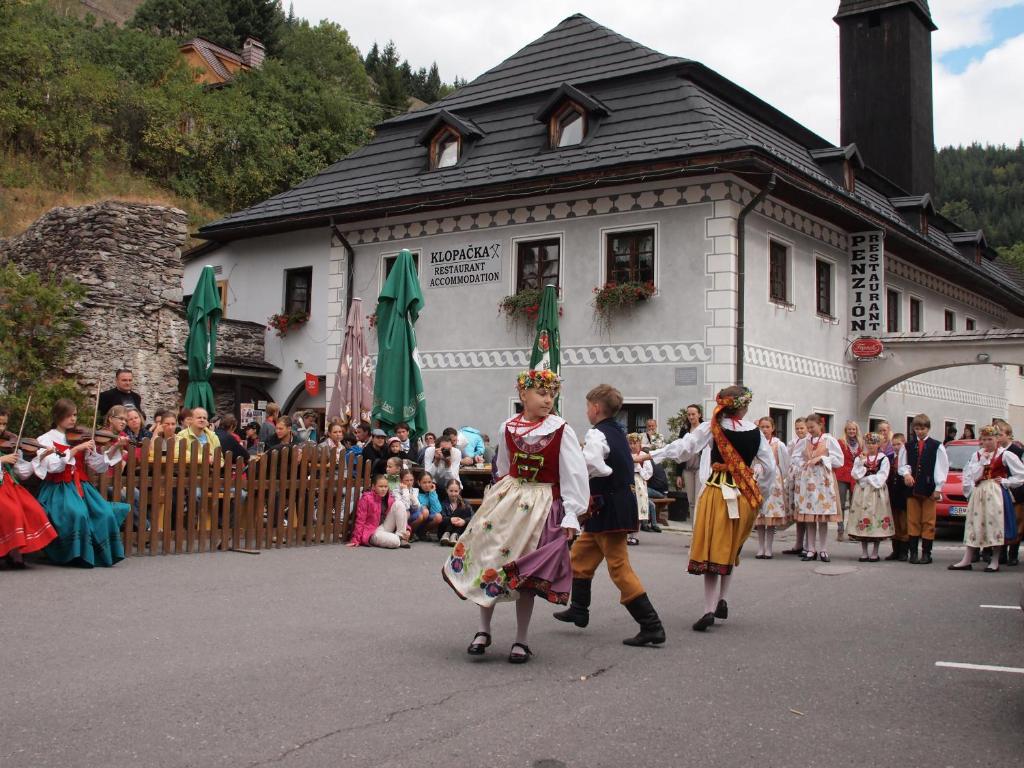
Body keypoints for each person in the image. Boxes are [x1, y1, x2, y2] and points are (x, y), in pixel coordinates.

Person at [443, 369, 587, 664]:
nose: (548, 400)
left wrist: (571, 515)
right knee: (488, 560)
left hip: (541, 504)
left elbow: (574, 475)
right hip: (508, 500)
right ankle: (483, 631)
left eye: (552, 394)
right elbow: (504, 467)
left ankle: (521, 640)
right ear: (523, 395)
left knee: (524, 573)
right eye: (542, 393)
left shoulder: (561, 430)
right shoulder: (508, 427)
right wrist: (497, 500)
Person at [650, 386, 775, 632]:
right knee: (730, 549)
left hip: (717, 492)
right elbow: (769, 468)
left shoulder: (712, 426)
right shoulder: (755, 432)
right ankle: (723, 600)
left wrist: (651, 455)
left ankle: (708, 609)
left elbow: (684, 447)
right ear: (743, 406)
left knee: (711, 550)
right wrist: (762, 496)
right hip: (742, 495)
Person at [554, 384, 665, 647]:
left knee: (619, 566)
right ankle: (579, 609)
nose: (586, 411)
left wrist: (596, 474)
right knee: (580, 555)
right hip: (611, 506)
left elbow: (591, 464)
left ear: (595, 408)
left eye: (587, 407)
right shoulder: (618, 431)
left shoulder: (597, 434)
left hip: (610, 506)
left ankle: (651, 625)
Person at [32, 398, 130, 567]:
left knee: (105, 512)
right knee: (78, 514)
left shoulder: (80, 436)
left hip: (81, 485)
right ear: (57, 416)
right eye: (68, 415)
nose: (73, 419)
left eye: (75, 415)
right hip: (58, 488)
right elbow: (52, 467)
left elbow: (98, 466)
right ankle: (75, 555)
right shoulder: (45, 439)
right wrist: (76, 449)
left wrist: (114, 447)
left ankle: (101, 554)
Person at [948, 425, 1024, 572]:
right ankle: (967, 558)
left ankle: (994, 560)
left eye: (990, 439)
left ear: (997, 439)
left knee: (995, 523)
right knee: (973, 523)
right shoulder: (977, 455)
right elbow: (969, 474)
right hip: (979, 491)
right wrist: (969, 490)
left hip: (995, 493)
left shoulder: (1004, 455)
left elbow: (1021, 474)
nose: (987, 442)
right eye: (984, 439)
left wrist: (1006, 481)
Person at [0, 405, 58, 568]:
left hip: (10, 485)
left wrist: (39, 458)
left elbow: (22, 473)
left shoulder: (8, 443)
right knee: (12, 512)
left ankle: (15, 551)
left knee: (33, 509)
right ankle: (12, 552)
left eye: (4, 424)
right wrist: (1, 461)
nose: (2, 428)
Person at [897, 414, 949, 565]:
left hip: (928, 488)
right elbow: (902, 464)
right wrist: (906, 474)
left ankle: (926, 553)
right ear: (913, 429)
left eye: (923, 428)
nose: (920, 431)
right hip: (912, 489)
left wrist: (939, 487)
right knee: (913, 520)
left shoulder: (936, 446)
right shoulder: (907, 446)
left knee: (928, 521)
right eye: (917, 428)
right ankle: (913, 552)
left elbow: (941, 468)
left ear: (928, 428)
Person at [792, 414, 843, 563]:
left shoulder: (829, 440)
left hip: (823, 481)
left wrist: (821, 458)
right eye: (808, 428)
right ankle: (811, 549)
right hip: (808, 481)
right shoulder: (805, 441)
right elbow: (796, 457)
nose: (810, 430)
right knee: (809, 516)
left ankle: (824, 549)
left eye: (812, 427)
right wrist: (803, 463)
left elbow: (839, 460)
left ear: (820, 425)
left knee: (822, 517)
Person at [848, 433, 894, 562]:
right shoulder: (860, 458)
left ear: (878, 444)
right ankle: (864, 552)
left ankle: (875, 552)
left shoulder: (883, 458)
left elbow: (883, 476)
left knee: (876, 518)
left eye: (873, 443)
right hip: (862, 493)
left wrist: (867, 479)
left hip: (876, 493)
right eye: (868, 443)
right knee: (863, 518)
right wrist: (862, 465)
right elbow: (855, 474)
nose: (871, 445)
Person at [753, 416, 790, 559]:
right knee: (760, 517)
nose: (765, 430)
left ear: (773, 428)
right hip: (758, 478)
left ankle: (769, 547)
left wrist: (781, 477)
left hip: (774, 481)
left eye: (767, 427)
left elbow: (785, 463)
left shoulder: (778, 444)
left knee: (771, 516)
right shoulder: (756, 442)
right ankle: (760, 547)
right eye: (762, 427)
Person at [347, 474, 410, 549]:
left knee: (399, 504)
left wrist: (407, 529)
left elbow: (400, 515)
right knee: (395, 541)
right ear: (373, 487)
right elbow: (360, 520)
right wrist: (356, 539)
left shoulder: (390, 498)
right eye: (380, 486)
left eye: (385, 487)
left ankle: (402, 537)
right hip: (372, 532)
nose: (384, 489)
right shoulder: (366, 499)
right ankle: (396, 538)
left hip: (384, 527)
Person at [995, 421, 1023, 566]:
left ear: (1008, 435)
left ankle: (1013, 553)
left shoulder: (1017, 451)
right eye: (996, 435)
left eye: (1000, 434)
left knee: (1017, 523)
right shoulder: (995, 451)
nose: (998, 438)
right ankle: (1002, 553)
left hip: (1017, 492)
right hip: (1000, 493)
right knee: (1002, 522)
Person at [782, 417, 809, 556]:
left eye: (802, 428)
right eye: (797, 428)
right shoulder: (793, 442)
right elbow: (788, 459)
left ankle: (808, 545)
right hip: (793, 479)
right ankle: (798, 544)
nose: (799, 431)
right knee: (797, 514)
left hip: (805, 479)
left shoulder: (809, 442)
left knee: (806, 514)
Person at [835, 420, 864, 541]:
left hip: (855, 476)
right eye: (849, 429)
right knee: (840, 503)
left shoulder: (861, 444)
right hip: (842, 474)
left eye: (854, 429)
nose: (851, 431)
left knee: (854, 503)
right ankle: (840, 529)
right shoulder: (841, 442)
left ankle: (852, 530)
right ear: (845, 431)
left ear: (856, 431)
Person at [675, 404, 703, 499]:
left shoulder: (704, 428)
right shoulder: (684, 430)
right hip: (687, 469)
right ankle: (691, 515)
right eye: (689, 414)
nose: (691, 417)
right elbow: (680, 451)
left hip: (701, 468)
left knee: (699, 498)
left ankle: (698, 515)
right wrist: (678, 474)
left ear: (699, 415)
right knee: (691, 500)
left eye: (693, 414)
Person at [438, 477, 473, 545]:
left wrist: (464, 521)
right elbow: (441, 519)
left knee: (465, 508)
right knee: (461, 509)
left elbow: (473, 517)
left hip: (459, 530)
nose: (453, 494)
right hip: (444, 531)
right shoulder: (443, 503)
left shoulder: (465, 503)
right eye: (451, 491)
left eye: (456, 491)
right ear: (446, 490)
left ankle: (454, 535)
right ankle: (447, 534)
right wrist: (450, 519)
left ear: (459, 490)